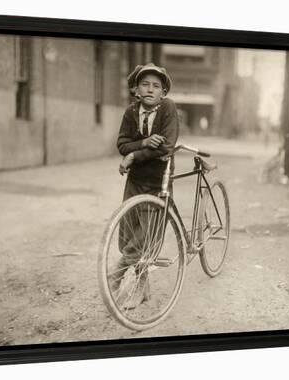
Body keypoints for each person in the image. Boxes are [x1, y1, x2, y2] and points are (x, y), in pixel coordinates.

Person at [111, 63, 179, 308]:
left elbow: (167, 146)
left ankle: (117, 274)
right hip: (135, 181)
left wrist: (133, 156)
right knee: (129, 230)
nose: (150, 90)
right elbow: (121, 144)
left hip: (157, 181)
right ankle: (144, 286)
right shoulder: (131, 112)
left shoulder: (168, 108)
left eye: (156, 86)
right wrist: (144, 142)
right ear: (136, 89)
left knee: (146, 235)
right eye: (145, 84)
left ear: (163, 92)